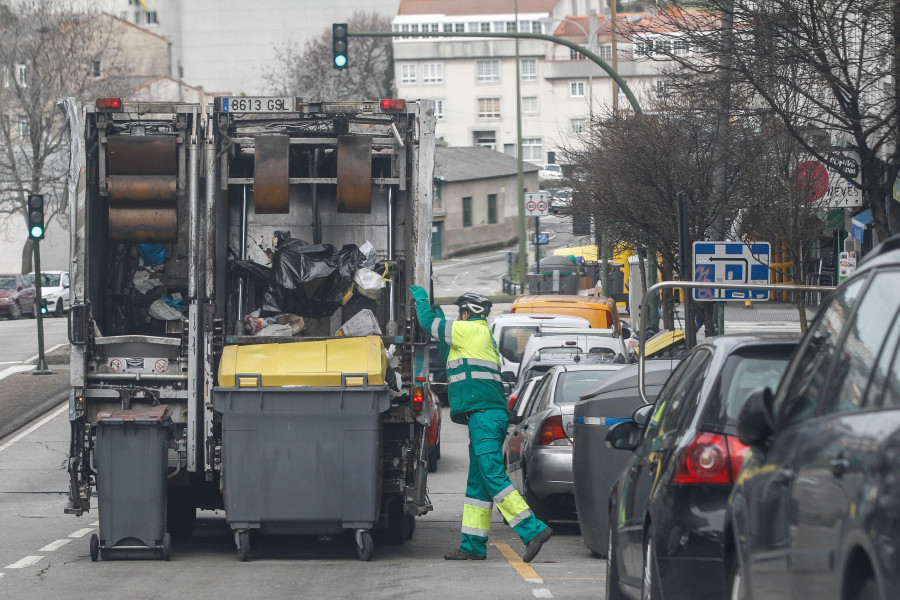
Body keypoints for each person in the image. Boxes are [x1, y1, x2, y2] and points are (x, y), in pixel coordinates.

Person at [408, 286, 553, 562]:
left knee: (491, 474)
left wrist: (422, 302)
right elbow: (443, 344)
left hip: (485, 416)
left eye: (459, 314)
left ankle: (532, 530)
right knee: (478, 485)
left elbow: (427, 325)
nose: (458, 319)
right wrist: (437, 317)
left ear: (466, 313)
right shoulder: (475, 336)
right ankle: (472, 545)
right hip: (485, 416)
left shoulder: (471, 329)